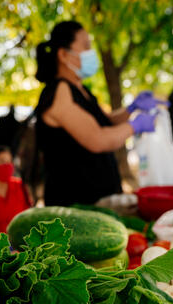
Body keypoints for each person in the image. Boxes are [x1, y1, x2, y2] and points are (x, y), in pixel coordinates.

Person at [34, 21, 163, 206]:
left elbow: (106, 122)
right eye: (86, 46)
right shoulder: (59, 92)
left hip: (98, 200)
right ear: (63, 54)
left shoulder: (81, 89)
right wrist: (135, 125)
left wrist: (131, 109)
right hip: (74, 205)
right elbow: (97, 138)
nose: (91, 52)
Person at [0, 145, 31, 236]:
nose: (6, 166)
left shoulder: (19, 185)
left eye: (9, 162)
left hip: (19, 241)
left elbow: (28, 216)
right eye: (2, 161)